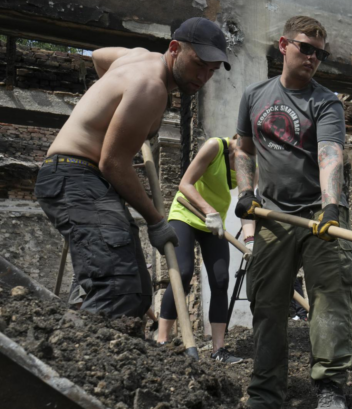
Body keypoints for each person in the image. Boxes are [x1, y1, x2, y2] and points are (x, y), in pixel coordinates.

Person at [34, 17, 229, 318]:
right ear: (174, 48)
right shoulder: (151, 88)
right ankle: (89, 358)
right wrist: (155, 220)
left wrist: (116, 111)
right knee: (116, 289)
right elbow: (113, 163)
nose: (203, 76)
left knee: (137, 290)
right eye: (198, 63)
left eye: (211, 71)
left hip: (83, 178)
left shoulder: (137, 56)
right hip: (76, 176)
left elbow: (99, 57)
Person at [232, 16, 352, 409]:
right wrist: (246, 194)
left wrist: (331, 205)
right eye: (306, 48)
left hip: (319, 214)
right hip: (272, 216)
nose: (313, 58)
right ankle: (266, 393)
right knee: (267, 304)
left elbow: (330, 154)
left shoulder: (326, 101)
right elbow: (245, 149)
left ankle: (330, 390)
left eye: (320, 52)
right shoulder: (254, 96)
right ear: (283, 45)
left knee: (330, 298)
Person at [156, 135, 243, 364]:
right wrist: (208, 210)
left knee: (221, 279)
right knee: (182, 273)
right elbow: (184, 184)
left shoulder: (252, 163)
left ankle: (218, 350)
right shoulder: (215, 146)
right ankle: (162, 340)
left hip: (213, 222)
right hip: (186, 212)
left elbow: (246, 203)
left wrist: (251, 239)